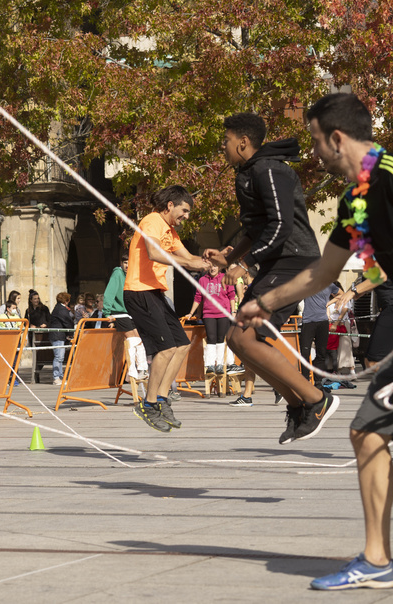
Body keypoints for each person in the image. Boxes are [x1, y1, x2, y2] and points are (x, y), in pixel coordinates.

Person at [238, 92, 393, 590]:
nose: (315, 155)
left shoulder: (384, 181)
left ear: (337, 138)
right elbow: (324, 271)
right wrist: (265, 302)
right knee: (368, 432)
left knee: (369, 432)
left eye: (316, 143)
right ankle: (376, 558)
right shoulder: (356, 196)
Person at [208, 112, 337, 444]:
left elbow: (281, 226)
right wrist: (229, 258)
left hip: (295, 262)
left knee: (245, 336)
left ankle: (317, 399)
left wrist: (247, 264)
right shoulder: (251, 172)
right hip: (278, 263)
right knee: (238, 340)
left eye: (225, 141)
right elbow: (258, 230)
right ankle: (298, 405)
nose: (222, 147)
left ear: (243, 142)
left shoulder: (268, 169)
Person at [125, 185, 210, 432]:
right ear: (170, 204)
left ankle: (162, 399)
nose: (187, 216)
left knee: (181, 344)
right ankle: (148, 404)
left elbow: (190, 258)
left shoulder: (170, 231)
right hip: (139, 291)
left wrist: (214, 261)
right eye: (184, 210)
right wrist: (187, 263)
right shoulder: (152, 220)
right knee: (165, 348)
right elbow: (153, 253)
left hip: (154, 291)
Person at [187, 264, 239, 375]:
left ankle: (220, 364)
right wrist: (191, 313)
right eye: (210, 266)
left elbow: (232, 295)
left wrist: (233, 312)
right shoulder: (202, 280)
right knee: (211, 338)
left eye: (215, 266)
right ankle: (210, 364)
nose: (213, 268)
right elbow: (198, 297)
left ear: (219, 267)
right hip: (208, 314)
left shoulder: (225, 278)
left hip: (223, 313)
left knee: (221, 338)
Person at [104, 254, 148, 382]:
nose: (127, 265)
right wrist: (107, 312)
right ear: (121, 263)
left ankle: (141, 369)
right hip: (120, 313)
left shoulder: (132, 275)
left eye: (130, 262)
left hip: (130, 313)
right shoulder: (117, 273)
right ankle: (132, 371)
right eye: (125, 263)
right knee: (133, 340)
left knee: (139, 340)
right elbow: (110, 292)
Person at [297, 283, 340, 385]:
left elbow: (341, 294)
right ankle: (305, 380)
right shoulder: (306, 283)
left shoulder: (329, 284)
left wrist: (329, 303)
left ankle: (318, 381)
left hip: (323, 322)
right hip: (308, 322)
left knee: (321, 353)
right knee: (305, 353)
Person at [25, 290, 51, 383]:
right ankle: (36, 375)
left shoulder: (44, 308)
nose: (36, 300)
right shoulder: (28, 311)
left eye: (38, 298)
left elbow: (50, 320)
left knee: (42, 354)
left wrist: (45, 324)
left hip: (43, 334)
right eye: (34, 299)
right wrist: (30, 325)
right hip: (34, 334)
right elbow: (25, 322)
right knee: (36, 355)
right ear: (31, 300)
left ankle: (37, 372)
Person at [49, 292, 74, 385]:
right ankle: (56, 377)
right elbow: (68, 322)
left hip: (58, 335)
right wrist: (71, 333)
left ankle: (60, 376)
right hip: (57, 336)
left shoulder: (58, 308)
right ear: (66, 301)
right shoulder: (61, 309)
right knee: (58, 357)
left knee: (60, 357)